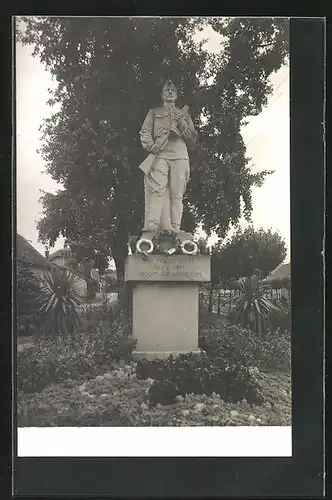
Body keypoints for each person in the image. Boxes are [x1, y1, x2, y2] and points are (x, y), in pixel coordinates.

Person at [139, 79, 198, 233]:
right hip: (160, 154)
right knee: (157, 191)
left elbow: (193, 139)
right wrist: (151, 146)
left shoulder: (183, 114)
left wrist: (182, 124)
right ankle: (152, 228)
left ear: (177, 95)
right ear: (162, 95)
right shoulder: (154, 112)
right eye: (167, 90)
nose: (170, 92)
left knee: (176, 194)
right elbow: (145, 132)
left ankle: (176, 231)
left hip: (179, 154)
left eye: (173, 91)